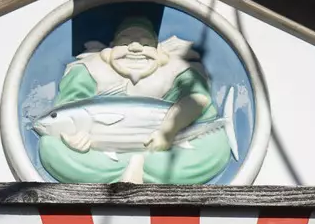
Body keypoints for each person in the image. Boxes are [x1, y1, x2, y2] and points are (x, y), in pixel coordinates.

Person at [35, 11, 233, 184]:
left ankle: (142, 168)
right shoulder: (90, 69)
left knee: (216, 146)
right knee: (50, 147)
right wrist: (72, 139)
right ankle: (129, 170)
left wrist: (167, 131)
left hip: (169, 150)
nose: (136, 48)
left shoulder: (177, 69)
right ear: (110, 48)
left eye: (146, 43)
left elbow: (198, 99)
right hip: (102, 156)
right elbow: (66, 109)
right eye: (125, 42)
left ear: (159, 50)